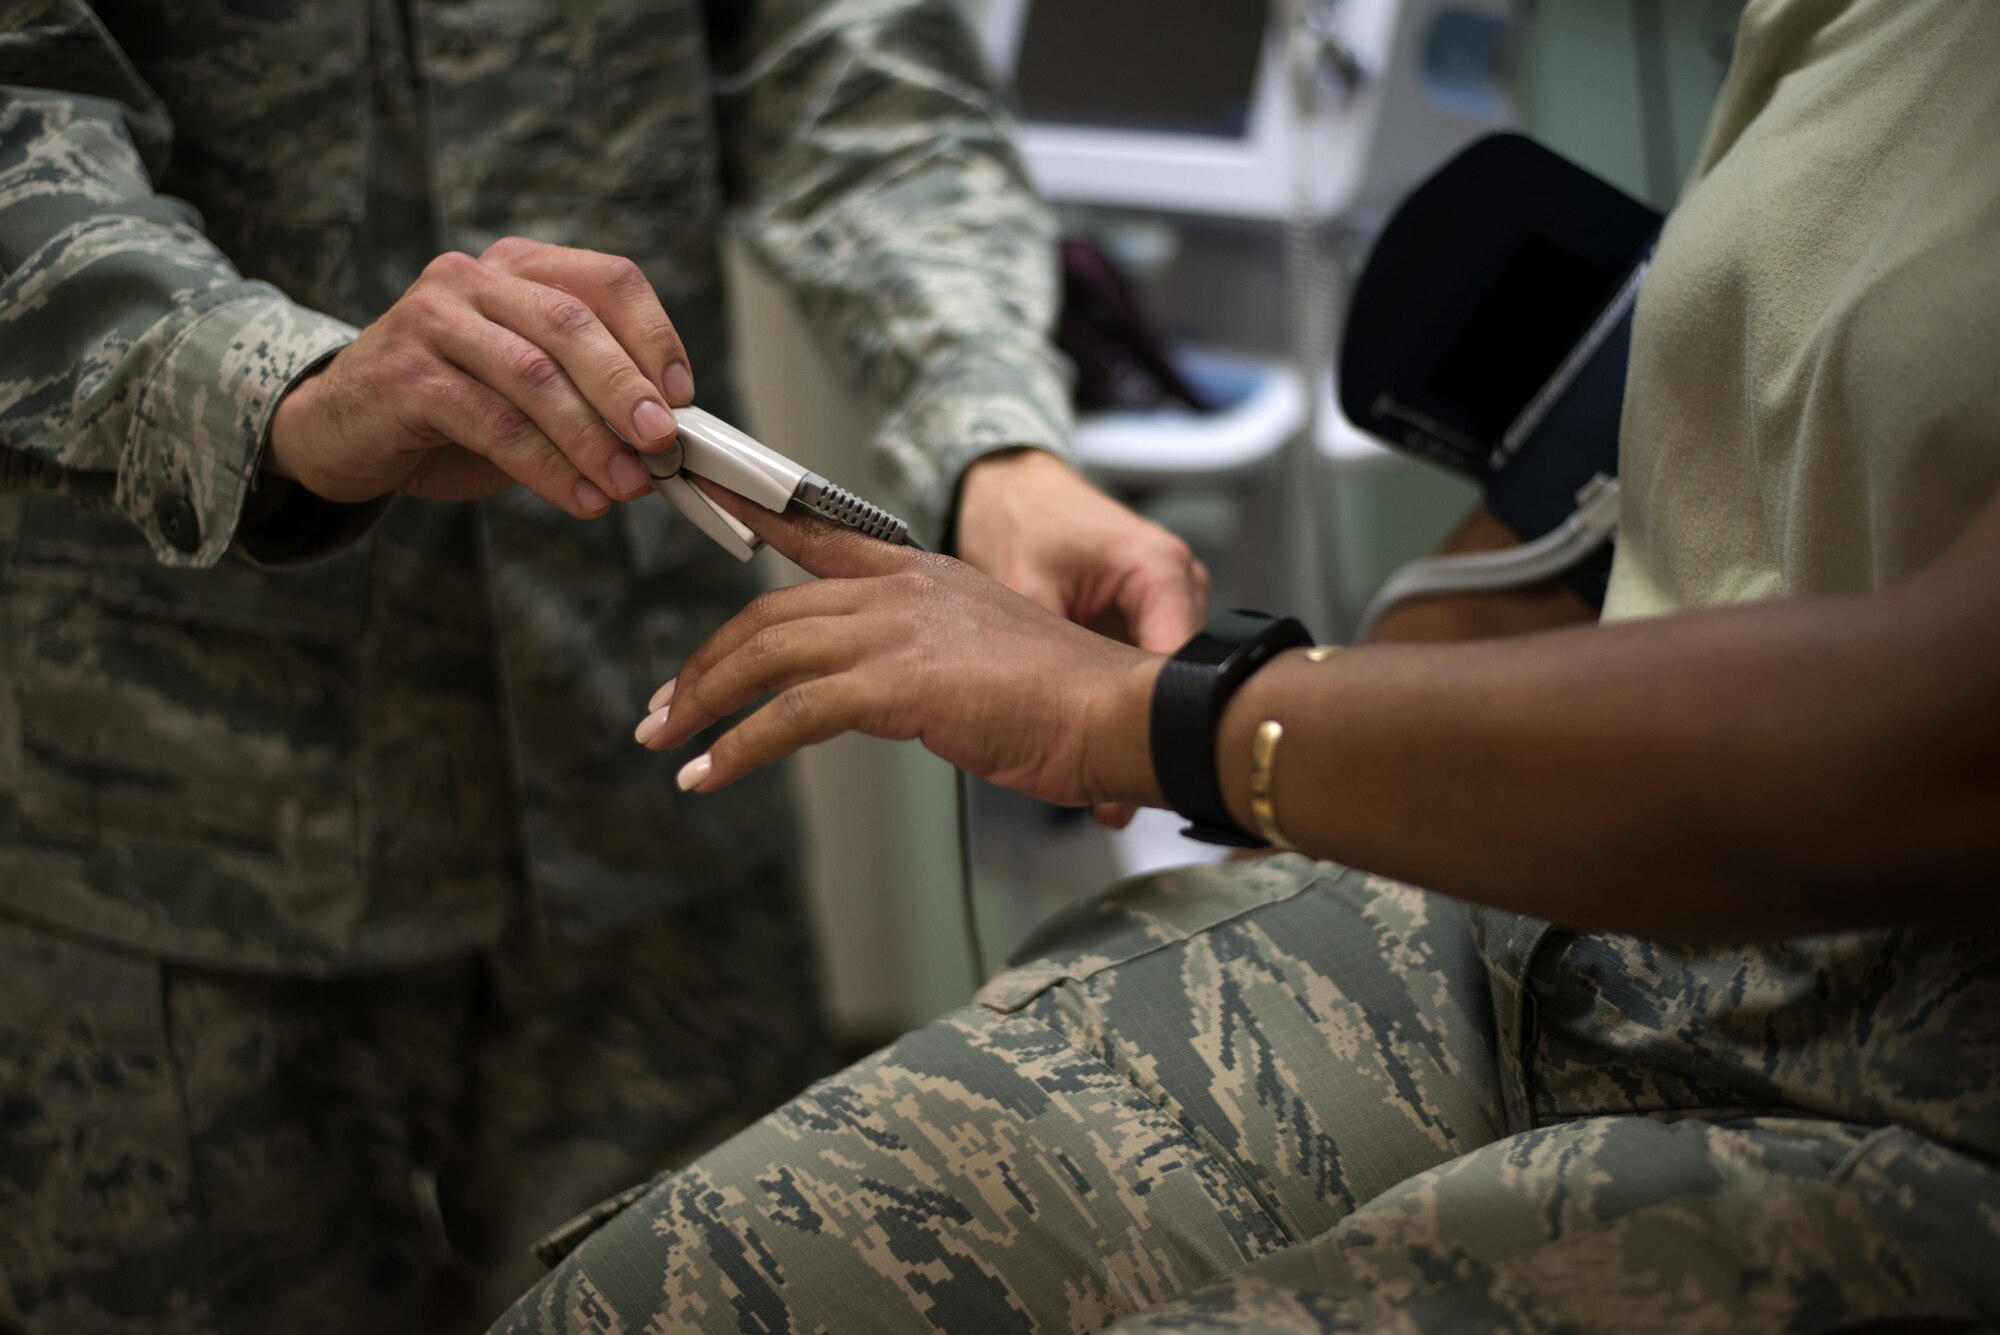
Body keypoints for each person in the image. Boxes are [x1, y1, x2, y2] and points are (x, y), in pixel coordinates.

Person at [500, 0, 2000, 1329]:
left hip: (1915, 1065)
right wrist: (1025, 488)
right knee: (648, 1301)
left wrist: (1165, 718)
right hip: (1541, 929)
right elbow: (1643, 519)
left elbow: (1938, 743)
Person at [0, 1, 1208, 1331]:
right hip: (170, 821)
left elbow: (852, 68)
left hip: (657, 771)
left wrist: (996, 440)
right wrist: (275, 390)